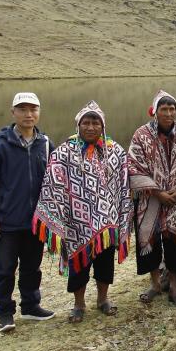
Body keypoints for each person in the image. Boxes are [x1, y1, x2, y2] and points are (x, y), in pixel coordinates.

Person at [33, 101, 132, 323]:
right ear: (78, 125)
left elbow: (123, 185)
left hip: (107, 222)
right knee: (79, 264)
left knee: (105, 263)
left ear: (102, 125)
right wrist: (63, 212)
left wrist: (117, 213)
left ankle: (103, 299)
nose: (90, 127)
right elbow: (53, 183)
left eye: (95, 122)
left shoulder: (115, 152)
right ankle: (78, 304)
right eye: (85, 123)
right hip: (76, 222)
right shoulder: (64, 153)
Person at [0, 92, 55, 333]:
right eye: (22, 109)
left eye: (33, 109)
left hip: (36, 221)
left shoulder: (46, 144)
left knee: (32, 267)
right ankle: (5, 313)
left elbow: (56, 181)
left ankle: (31, 306)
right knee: (5, 270)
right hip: (7, 222)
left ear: (39, 112)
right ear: (13, 113)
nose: (28, 114)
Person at [128, 89, 176, 307]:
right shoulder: (141, 135)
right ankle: (156, 283)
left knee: (175, 243)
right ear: (154, 112)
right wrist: (157, 192)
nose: (168, 113)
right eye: (163, 109)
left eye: (171, 109)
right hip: (150, 199)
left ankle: (174, 286)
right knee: (151, 241)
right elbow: (133, 166)